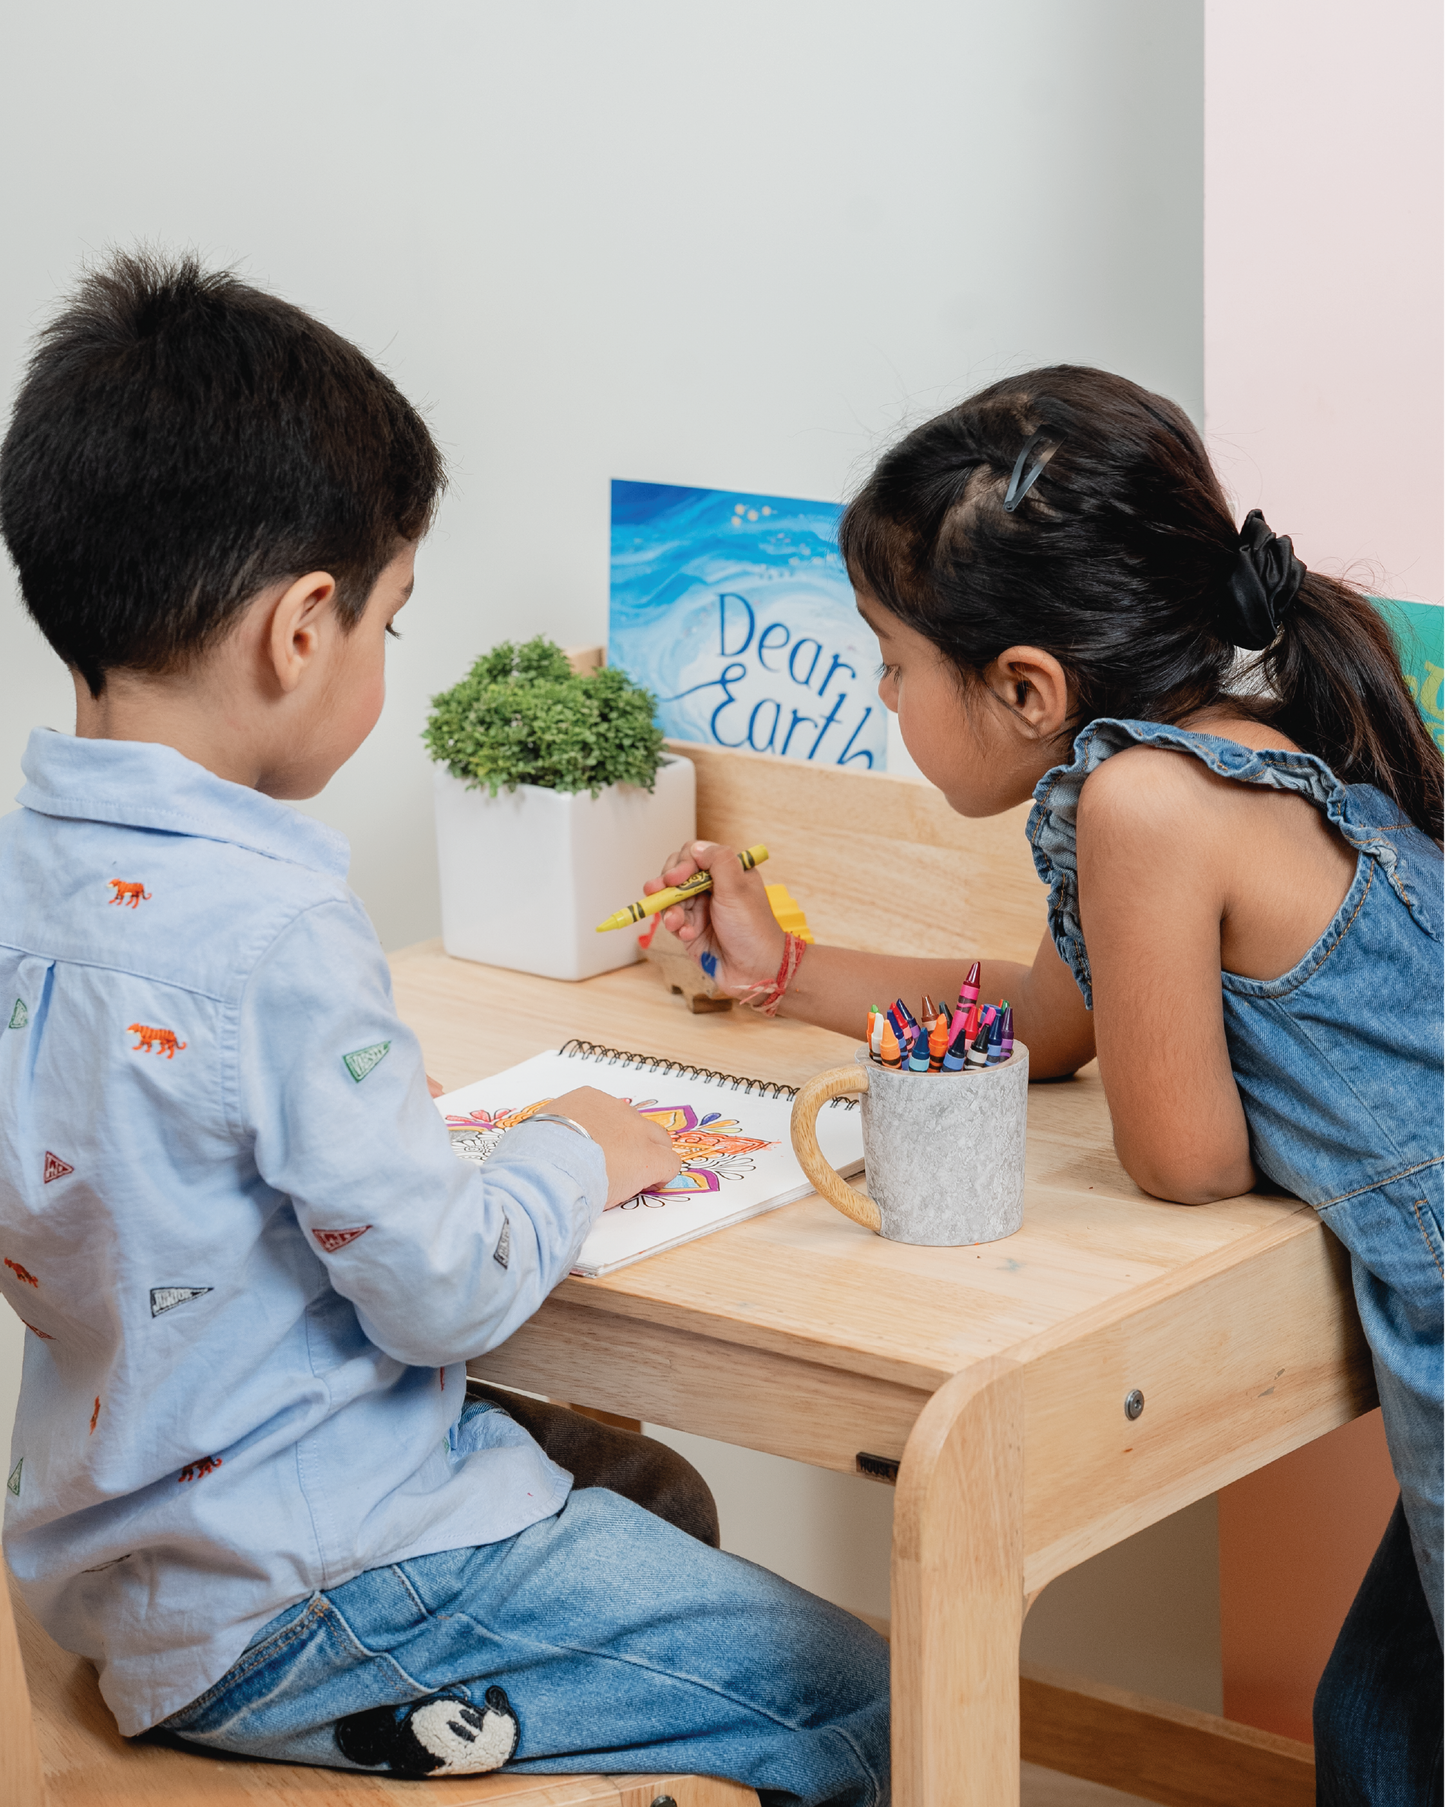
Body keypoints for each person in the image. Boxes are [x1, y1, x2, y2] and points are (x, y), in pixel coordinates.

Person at [0, 252, 889, 1798]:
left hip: (117, 1550)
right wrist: (571, 1151)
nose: (383, 664)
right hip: (312, 1591)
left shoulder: (31, 878)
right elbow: (439, 1285)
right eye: (392, 626)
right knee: (872, 1698)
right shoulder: (275, 932)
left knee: (651, 1487)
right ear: (302, 629)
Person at [653, 366, 1445, 1804]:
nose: (884, 693)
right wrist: (779, 967)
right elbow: (1040, 1019)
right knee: (1383, 1737)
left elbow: (1184, 1153)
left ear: (1025, 687)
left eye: (892, 664)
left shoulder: (1143, 803)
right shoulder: (1228, 739)